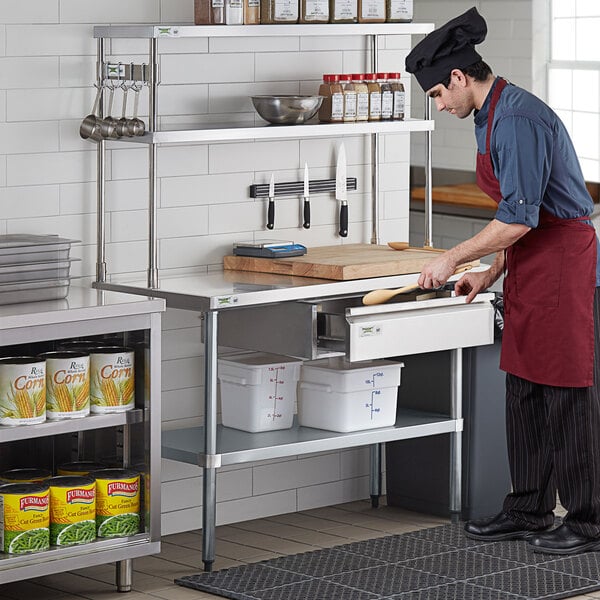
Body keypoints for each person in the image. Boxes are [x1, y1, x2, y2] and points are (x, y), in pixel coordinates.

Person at [405, 7, 600, 555]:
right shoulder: (489, 116)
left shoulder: (516, 118)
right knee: (524, 388)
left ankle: (589, 521)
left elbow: (520, 216)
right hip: (531, 261)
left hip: (564, 261)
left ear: (461, 78)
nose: (440, 106)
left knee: (566, 392)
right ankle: (530, 509)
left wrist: (452, 259)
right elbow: (520, 218)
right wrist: (488, 273)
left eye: (439, 94)